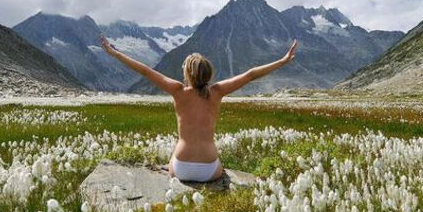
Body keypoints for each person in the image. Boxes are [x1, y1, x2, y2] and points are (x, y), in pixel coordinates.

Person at [99, 34, 298, 182]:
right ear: (208, 75)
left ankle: (175, 168)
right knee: (222, 171)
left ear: (188, 74)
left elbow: (145, 70)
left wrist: (115, 53)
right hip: (209, 169)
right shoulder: (217, 91)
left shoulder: (177, 91)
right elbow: (250, 75)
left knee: (172, 160)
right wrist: (282, 61)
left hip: (181, 168)